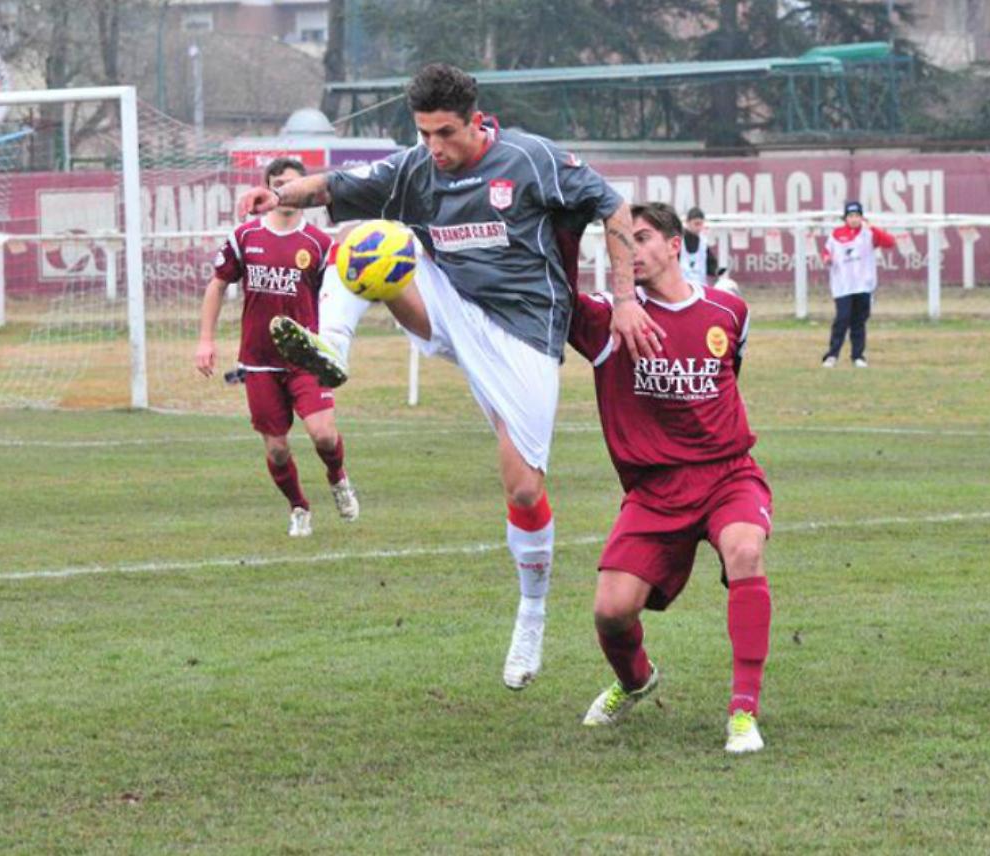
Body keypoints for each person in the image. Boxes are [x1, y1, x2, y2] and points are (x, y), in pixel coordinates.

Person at [237, 63, 663, 690]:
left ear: (475, 121)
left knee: (523, 489)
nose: (433, 147)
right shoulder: (416, 168)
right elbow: (338, 186)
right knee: (368, 241)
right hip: (447, 305)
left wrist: (624, 299)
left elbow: (613, 207)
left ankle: (532, 612)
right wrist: (281, 198)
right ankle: (333, 349)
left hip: (523, 332)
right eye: (424, 133)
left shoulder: (530, 159)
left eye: (445, 133)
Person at [568, 202, 773, 754]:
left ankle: (743, 714)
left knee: (745, 550)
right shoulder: (605, 318)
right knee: (611, 612)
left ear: (674, 244)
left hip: (728, 473)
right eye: (620, 242)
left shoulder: (729, 311)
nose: (629, 251)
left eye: (640, 238)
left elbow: (730, 374)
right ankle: (636, 680)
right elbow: (554, 291)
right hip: (655, 489)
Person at [196, 157, 360, 537]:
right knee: (277, 450)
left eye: (292, 183)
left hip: (306, 358)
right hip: (259, 361)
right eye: (278, 183)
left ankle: (338, 478)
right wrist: (205, 340)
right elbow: (217, 285)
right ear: (267, 188)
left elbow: (337, 298)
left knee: (323, 434)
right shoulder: (245, 237)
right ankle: (299, 507)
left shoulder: (320, 244)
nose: (285, 189)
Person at [821, 201, 897, 368]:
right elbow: (827, 251)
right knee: (842, 319)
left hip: (863, 286)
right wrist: (827, 259)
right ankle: (832, 355)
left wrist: (873, 228)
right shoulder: (836, 234)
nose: (854, 219)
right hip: (843, 286)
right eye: (850, 216)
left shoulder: (868, 233)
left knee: (859, 321)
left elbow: (890, 242)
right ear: (845, 218)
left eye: (857, 216)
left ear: (862, 217)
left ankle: (858, 356)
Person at [680, 206, 719, 288]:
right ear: (687, 222)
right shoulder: (678, 242)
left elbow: (712, 266)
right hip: (682, 288)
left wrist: (716, 272)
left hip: (701, 287)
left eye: (701, 224)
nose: (699, 227)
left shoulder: (703, 243)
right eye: (696, 224)